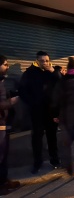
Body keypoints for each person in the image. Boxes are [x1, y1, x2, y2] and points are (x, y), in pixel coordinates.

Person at [19, 51, 61, 174]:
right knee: (36, 138)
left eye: (47, 60)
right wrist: (32, 102)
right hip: (36, 111)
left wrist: (54, 72)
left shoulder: (53, 72)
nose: (45, 63)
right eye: (42, 61)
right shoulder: (29, 73)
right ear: (37, 61)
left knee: (52, 136)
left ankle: (55, 160)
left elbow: (62, 84)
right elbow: (22, 91)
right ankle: (37, 162)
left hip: (51, 111)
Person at [0, 55, 21, 195]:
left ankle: (4, 180)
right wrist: (12, 101)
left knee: (4, 155)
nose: (7, 67)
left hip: (3, 123)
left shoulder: (1, 81)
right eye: (5, 64)